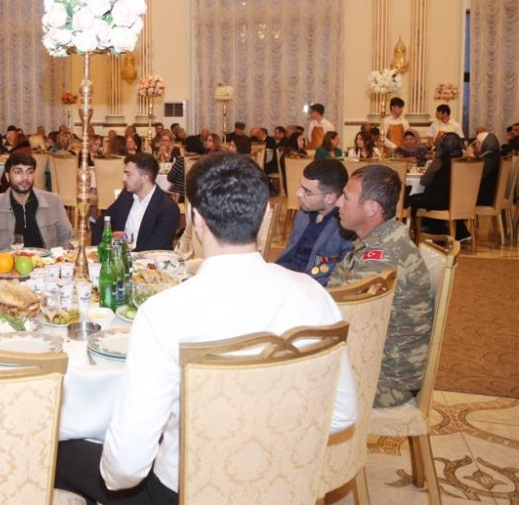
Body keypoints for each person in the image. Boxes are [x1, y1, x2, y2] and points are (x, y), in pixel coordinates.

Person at [56, 153, 356, 503]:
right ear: (265, 214)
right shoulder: (314, 296)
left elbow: (125, 469)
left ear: (195, 218)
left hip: (183, 493)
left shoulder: (164, 313)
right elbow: (342, 415)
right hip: (282, 482)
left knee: (57, 447)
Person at [329, 164, 433, 407]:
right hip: (373, 363)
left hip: (383, 380)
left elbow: (346, 320)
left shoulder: (382, 258)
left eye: (346, 197)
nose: (338, 203)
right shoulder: (381, 240)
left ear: (371, 208)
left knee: (288, 387)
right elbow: (337, 293)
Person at [276, 159, 353, 285]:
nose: (298, 194)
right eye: (300, 186)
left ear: (330, 198)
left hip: (310, 285)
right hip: (286, 275)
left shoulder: (345, 227)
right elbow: (290, 251)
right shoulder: (305, 212)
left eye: (307, 192)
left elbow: (332, 277)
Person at [0, 152, 72, 252]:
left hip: (47, 260)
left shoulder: (53, 202)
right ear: (7, 176)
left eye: (30, 172)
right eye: (18, 172)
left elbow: (66, 237)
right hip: (8, 261)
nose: (25, 177)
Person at [93, 153, 180, 252]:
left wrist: (125, 256)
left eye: (128, 175)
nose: (123, 179)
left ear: (145, 178)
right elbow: (100, 224)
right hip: (118, 257)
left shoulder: (167, 208)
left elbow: (153, 249)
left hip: (147, 260)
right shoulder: (126, 196)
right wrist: (101, 251)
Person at [408, 133, 470, 241]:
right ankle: (458, 232)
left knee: (410, 200)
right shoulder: (464, 161)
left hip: (438, 202)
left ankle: (426, 233)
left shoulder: (439, 162)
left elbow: (424, 182)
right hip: (458, 201)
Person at [468, 127, 502, 206]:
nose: (476, 146)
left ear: (480, 143)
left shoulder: (490, 158)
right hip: (490, 194)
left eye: (477, 143)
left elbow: (475, 175)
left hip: (484, 198)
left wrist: (471, 156)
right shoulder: (494, 155)